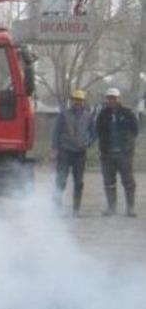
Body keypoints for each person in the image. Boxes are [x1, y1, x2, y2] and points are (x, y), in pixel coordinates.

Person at [96, 87, 139, 217]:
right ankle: (111, 208)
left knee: (128, 182)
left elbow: (135, 130)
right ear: (107, 99)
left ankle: (130, 208)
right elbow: (98, 130)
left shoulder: (127, 113)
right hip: (107, 154)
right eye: (109, 98)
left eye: (114, 98)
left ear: (119, 98)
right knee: (109, 182)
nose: (112, 100)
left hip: (124, 154)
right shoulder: (102, 114)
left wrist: (128, 145)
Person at [52, 89, 95, 216]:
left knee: (78, 182)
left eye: (80, 100)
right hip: (65, 151)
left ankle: (76, 210)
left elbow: (93, 133)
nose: (77, 102)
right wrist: (55, 148)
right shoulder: (63, 114)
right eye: (75, 99)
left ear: (83, 101)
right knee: (61, 180)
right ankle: (56, 208)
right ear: (72, 100)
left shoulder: (88, 116)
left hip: (80, 153)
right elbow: (56, 132)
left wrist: (89, 142)